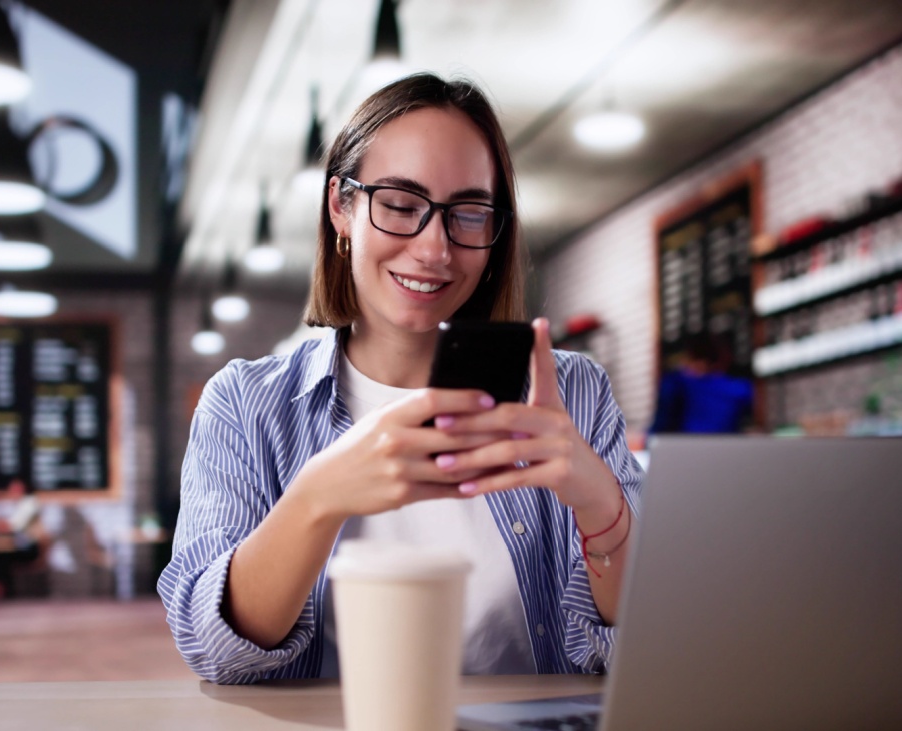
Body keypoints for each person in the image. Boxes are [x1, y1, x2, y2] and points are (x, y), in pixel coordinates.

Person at [158, 73, 644, 685]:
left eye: (468, 213)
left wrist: (602, 506)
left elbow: (640, 645)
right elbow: (217, 651)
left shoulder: (573, 393)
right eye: (399, 206)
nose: (434, 248)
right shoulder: (247, 404)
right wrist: (318, 497)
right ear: (342, 207)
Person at [649, 333, 754, 434]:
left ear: (692, 358)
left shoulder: (676, 384)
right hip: (728, 448)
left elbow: (659, 427)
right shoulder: (741, 388)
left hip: (682, 448)